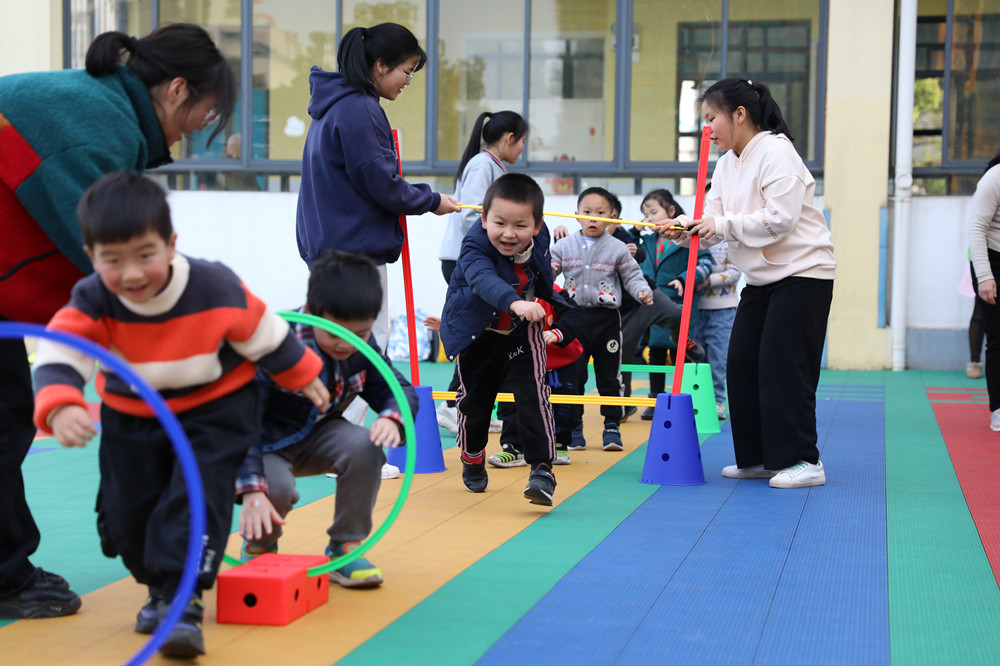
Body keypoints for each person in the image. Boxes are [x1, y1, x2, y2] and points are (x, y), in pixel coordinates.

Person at [31, 172, 328, 658]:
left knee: (192, 496)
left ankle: (180, 601)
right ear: (92, 257)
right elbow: (61, 352)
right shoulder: (93, 297)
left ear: (170, 244)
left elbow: (265, 332)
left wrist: (301, 373)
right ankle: (161, 586)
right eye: (112, 260)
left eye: (144, 255)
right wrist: (61, 402)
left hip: (216, 407)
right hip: (134, 411)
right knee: (127, 515)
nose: (131, 274)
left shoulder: (212, 285)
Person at [0, 23, 235, 622]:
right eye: (201, 117)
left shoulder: (102, 115)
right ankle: (6, 574)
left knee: (6, 411)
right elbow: (119, 274)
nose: (192, 136)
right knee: (3, 420)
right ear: (176, 90)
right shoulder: (92, 128)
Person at [660, 78, 836, 489]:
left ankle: (804, 460)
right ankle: (760, 458)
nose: (708, 129)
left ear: (739, 115)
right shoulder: (726, 163)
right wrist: (686, 228)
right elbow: (715, 220)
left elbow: (780, 219)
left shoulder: (777, 152)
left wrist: (714, 224)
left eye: (711, 118)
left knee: (784, 366)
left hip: (803, 274)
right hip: (761, 279)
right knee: (741, 364)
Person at [237, 249, 418, 589]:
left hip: (320, 433)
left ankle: (344, 546)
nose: (345, 344)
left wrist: (393, 417)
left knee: (366, 445)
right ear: (314, 313)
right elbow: (239, 417)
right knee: (274, 487)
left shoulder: (361, 345)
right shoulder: (277, 341)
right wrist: (249, 483)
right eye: (335, 333)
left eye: (360, 334)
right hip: (265, 442)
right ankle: (260, 544)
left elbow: (396, 387)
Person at [296, 22, 460, 352]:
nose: (408, 82)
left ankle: (330, 405)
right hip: (354, 253)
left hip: (327, 248)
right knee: (366, 346)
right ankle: (352, 406)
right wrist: (432, 200)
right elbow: (382, 183)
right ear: (381, 64)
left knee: (334, 343)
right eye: (407, 71)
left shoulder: (331, 106)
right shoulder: (360, 108)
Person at [440, 173, 580, 506]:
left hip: (523, 330)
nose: (508, 233)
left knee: (534, 395)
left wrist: (546, 304)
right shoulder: (474, 246)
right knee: (476, 403)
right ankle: (472, 454)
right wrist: (515, 302)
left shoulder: (540, 237)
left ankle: (542, 469)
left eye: (520, 225)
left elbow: (542, 269)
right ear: (484, 218)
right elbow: (482, 279)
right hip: (479, 333)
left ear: (537, 225)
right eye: (499, 222)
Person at [436, 110, 528, 434]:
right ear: (508, 139)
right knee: (475, 331)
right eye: (522, 144)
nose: (521, 151)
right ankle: (452, 404)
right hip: (467, 260)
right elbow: (471, 212)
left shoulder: (491, 165)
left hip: (479, 259)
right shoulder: (482, 165)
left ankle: (462, 402)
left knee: (484, 331)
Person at [551, 187, 653, 451]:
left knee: (610, 376)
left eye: (600, 213)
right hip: (573, 319)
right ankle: (574, 428)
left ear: (613, 217)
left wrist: (642, 290)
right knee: (574, 375)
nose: (593, 218)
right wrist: (546, 274)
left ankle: (611, 425)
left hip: (606, 319)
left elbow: (632, 275)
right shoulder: (564, 246)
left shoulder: (618, 248)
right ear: (577, 216)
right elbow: (546, 272)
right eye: (587, 212)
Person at [486, 287, 585, 467]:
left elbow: (576, 314)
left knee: (564, 402)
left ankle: (559, 442)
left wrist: (557, 333)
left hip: (558, 360)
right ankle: (513, 447)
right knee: (511, 402)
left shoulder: (552, 291)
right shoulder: (502, 292)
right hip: (519, 359)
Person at [637, 189, 713, 419]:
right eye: (645, 214)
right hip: (653, 302)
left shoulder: (688, 236)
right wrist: (635, 231)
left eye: (653, 212)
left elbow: (706, 263)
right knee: (656, 353)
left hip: (679, 301)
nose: (649, 218)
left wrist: (684, 278)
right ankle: (656, 399)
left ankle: (684, 398)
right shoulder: (647, 240)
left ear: (670, 211)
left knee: (682, 349)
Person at [693, 187, 742, 420]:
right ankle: (698, 400)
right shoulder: (697, 235)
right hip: (696, 308)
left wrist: (707, 280)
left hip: (723, 309)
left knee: (719, 357)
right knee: (696, 356)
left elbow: (734, 273)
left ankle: (718, 400)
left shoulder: (732, 235)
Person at [968, 149, 1000, 429]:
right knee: (998, 337)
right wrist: (985, 277)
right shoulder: (995, 177)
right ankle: (999, 409)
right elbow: (977, 229)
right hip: (994, 258)